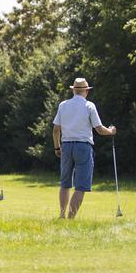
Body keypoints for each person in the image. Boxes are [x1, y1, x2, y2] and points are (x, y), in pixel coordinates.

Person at [52, 77, 116, 219]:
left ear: (74, 90)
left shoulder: (63, 105)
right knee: (81, 186)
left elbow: (56, 130)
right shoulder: (89, 106)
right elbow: (99, 129)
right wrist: (111, 131)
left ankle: (62, 215)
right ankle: (71, 218)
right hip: (83, 146)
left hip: (66, 146)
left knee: (65, 183)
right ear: (86, 91)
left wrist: (57, 148)